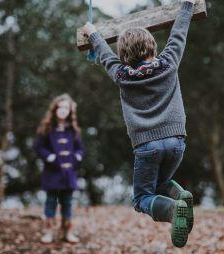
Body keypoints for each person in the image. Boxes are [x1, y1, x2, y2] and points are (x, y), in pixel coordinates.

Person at [82, 0, 195, 248]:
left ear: (124, 56)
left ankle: (175, 210)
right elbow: (179, 34)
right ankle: (181, 197)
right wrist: (187, 5)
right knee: (162, 185)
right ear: (152, 46)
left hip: (147, 146)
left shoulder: (122, 75)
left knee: (142, 197)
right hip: (177, 142)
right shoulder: (169, 63)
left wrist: (93, 34)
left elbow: (104, 55)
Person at [34, 94, 84, 244]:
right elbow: (38, 146)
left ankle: (67, 232)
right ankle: (48, 232)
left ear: (70, 111)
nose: (63, 111)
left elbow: (80, 149)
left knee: (67, 203)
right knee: (50, 202)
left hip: (69, 174)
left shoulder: (73, 130)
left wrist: (76, 158)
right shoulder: (47, 128)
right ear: (55, 109)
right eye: (60, 107)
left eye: (66, 108)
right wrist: (50, 158)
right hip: (52, 173)